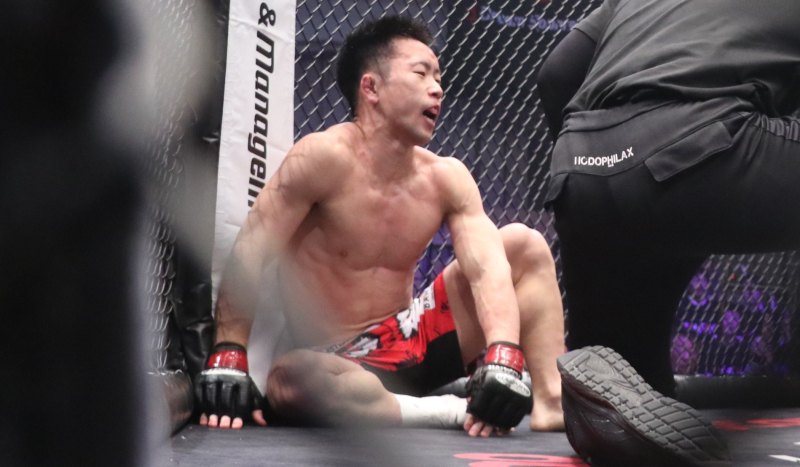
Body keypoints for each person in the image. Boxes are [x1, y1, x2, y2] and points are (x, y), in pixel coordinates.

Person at [194, 15, 566, 437]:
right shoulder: (320, 158)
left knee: (524, 244)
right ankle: (446, 409)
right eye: (421, 73)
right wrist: (228, 352)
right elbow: (251, 250)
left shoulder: (446, 177)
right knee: (288, 378)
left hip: (413, 340)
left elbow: (485, 268)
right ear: (371, 88)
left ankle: (551, 401)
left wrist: (503, 354)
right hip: (336, 361)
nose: (437, 88)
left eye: (439, 77)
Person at [538, 0, 800, 464]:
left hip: (579, 174)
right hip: (696, 149)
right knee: (685, 171)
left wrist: (613, 163)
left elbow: (555, 74)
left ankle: (604, 400)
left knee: (638, 386)